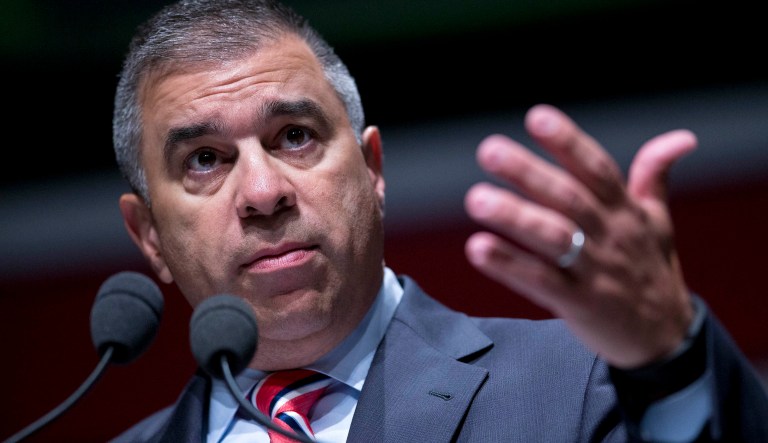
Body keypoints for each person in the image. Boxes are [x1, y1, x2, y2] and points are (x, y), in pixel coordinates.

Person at [109, 0, 768, 441]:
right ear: (150, 237)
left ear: (372, 170)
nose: (262, 191)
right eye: (204, 159)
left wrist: (671, 360)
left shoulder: (584, 382)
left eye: (294, 136)